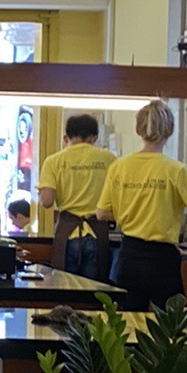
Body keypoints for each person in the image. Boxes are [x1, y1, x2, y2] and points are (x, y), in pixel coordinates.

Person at [95, 99, 187, 310]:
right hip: (162, 260)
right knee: (170, 323)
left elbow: (101, 213)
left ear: (137, 129)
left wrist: (130, 212)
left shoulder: (119, 167)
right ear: (169, 131)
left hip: (129, 256)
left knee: (129, 322)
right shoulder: (176, 170)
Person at [37, 112, 116, 279]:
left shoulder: (53, 161)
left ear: (67, 137)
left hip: (67, 234)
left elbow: (47, 201)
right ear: (93, 138)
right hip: (97, 232)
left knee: (66, 287)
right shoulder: (109, 159)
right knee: (94, 289)